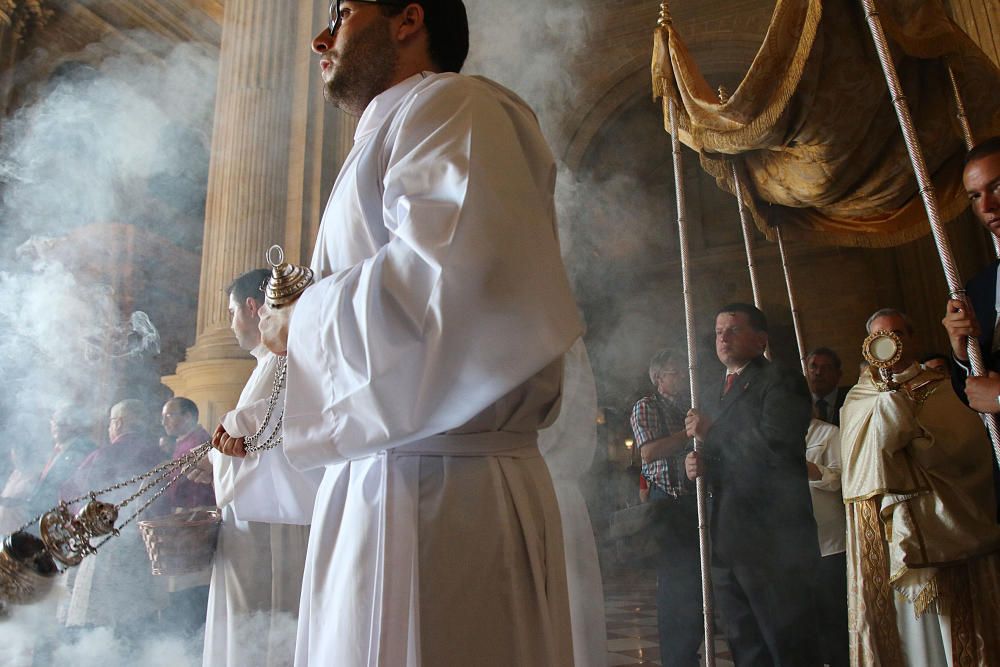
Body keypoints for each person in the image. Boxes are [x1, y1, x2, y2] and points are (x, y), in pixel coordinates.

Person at [252, 2, 582, 664]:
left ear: (407, 20)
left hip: (439, 498)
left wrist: (302, 318)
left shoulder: (454, 106)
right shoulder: (392, 129)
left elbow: (444, 285)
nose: (321, 36)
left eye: (342, 13)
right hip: (391, 484)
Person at [841, 308, 1000, 665]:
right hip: (891, 536)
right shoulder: (858, 398)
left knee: (952, 631)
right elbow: (862, 461)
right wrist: (889, 404)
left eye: (898, 333)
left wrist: (919, 445)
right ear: (868, 345)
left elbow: (966, 450)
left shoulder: (944, 388)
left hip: (945, 529)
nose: (891, 343)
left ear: (912, 338)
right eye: (881, 336)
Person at [684, 303, 821, 666]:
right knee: (745, 643)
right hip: (728, 536)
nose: (723, 338)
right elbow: (727, 458)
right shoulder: (716, 390)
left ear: (760, 340)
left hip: (772, 537)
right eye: (717, 331)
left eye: (733, 330)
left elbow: (775, 447)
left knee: (785, 642)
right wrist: (699, 464)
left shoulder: (781, 380)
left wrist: (712, 433)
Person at [200, 268, 322, 667]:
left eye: (233, 310)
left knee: (264, 630)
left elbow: (275, 431)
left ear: (254, 307)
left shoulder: (286, 362)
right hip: (255, 522)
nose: (231, 322)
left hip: (271, 529)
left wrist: (230, 435)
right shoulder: (266, 363)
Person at [61, 399, 169, 636]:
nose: (110, 428)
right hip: (146, 545)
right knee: (138, 617)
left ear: (119, 423)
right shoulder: (160, 454)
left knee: (100, 620)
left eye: (111, 422)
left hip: (106, 545)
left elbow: (73, 493)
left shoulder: (103, 455)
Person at [629, 348, 700, 667]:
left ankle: (694, 650)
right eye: (675, 372)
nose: (683, 377)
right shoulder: (646, 407)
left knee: (698, 584)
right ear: (659, 378)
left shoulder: (690, 405)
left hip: (696, 501)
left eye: (683, 371)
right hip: (668, 503)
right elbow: (648, 453)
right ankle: (678, 658)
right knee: (676, 585)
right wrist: (687, 433)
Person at [942, 136, 1000, 412]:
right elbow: (974, 396)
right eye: (975, 196)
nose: (986, 206)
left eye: (997, 187)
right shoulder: (979, 288)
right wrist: (964, 354)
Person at [803, 417, 849, 667]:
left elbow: (843, 479)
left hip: (830, 546)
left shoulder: (829, 433)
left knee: (833, 624)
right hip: (793, 549)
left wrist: (810, 468)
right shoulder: (770, 435)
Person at [162, 397, 214, 511]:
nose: (164, 423)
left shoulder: (198, 442)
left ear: (187, 417)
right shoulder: (186, 440)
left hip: (195, 512)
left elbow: (197, 488)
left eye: (169, 416)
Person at [805, 347, 849, 425]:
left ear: (838, 374)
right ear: (806, 372)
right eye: (813, 367)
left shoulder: (850, 400)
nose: (818, 372)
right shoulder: (797, 402)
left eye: (826, 368)